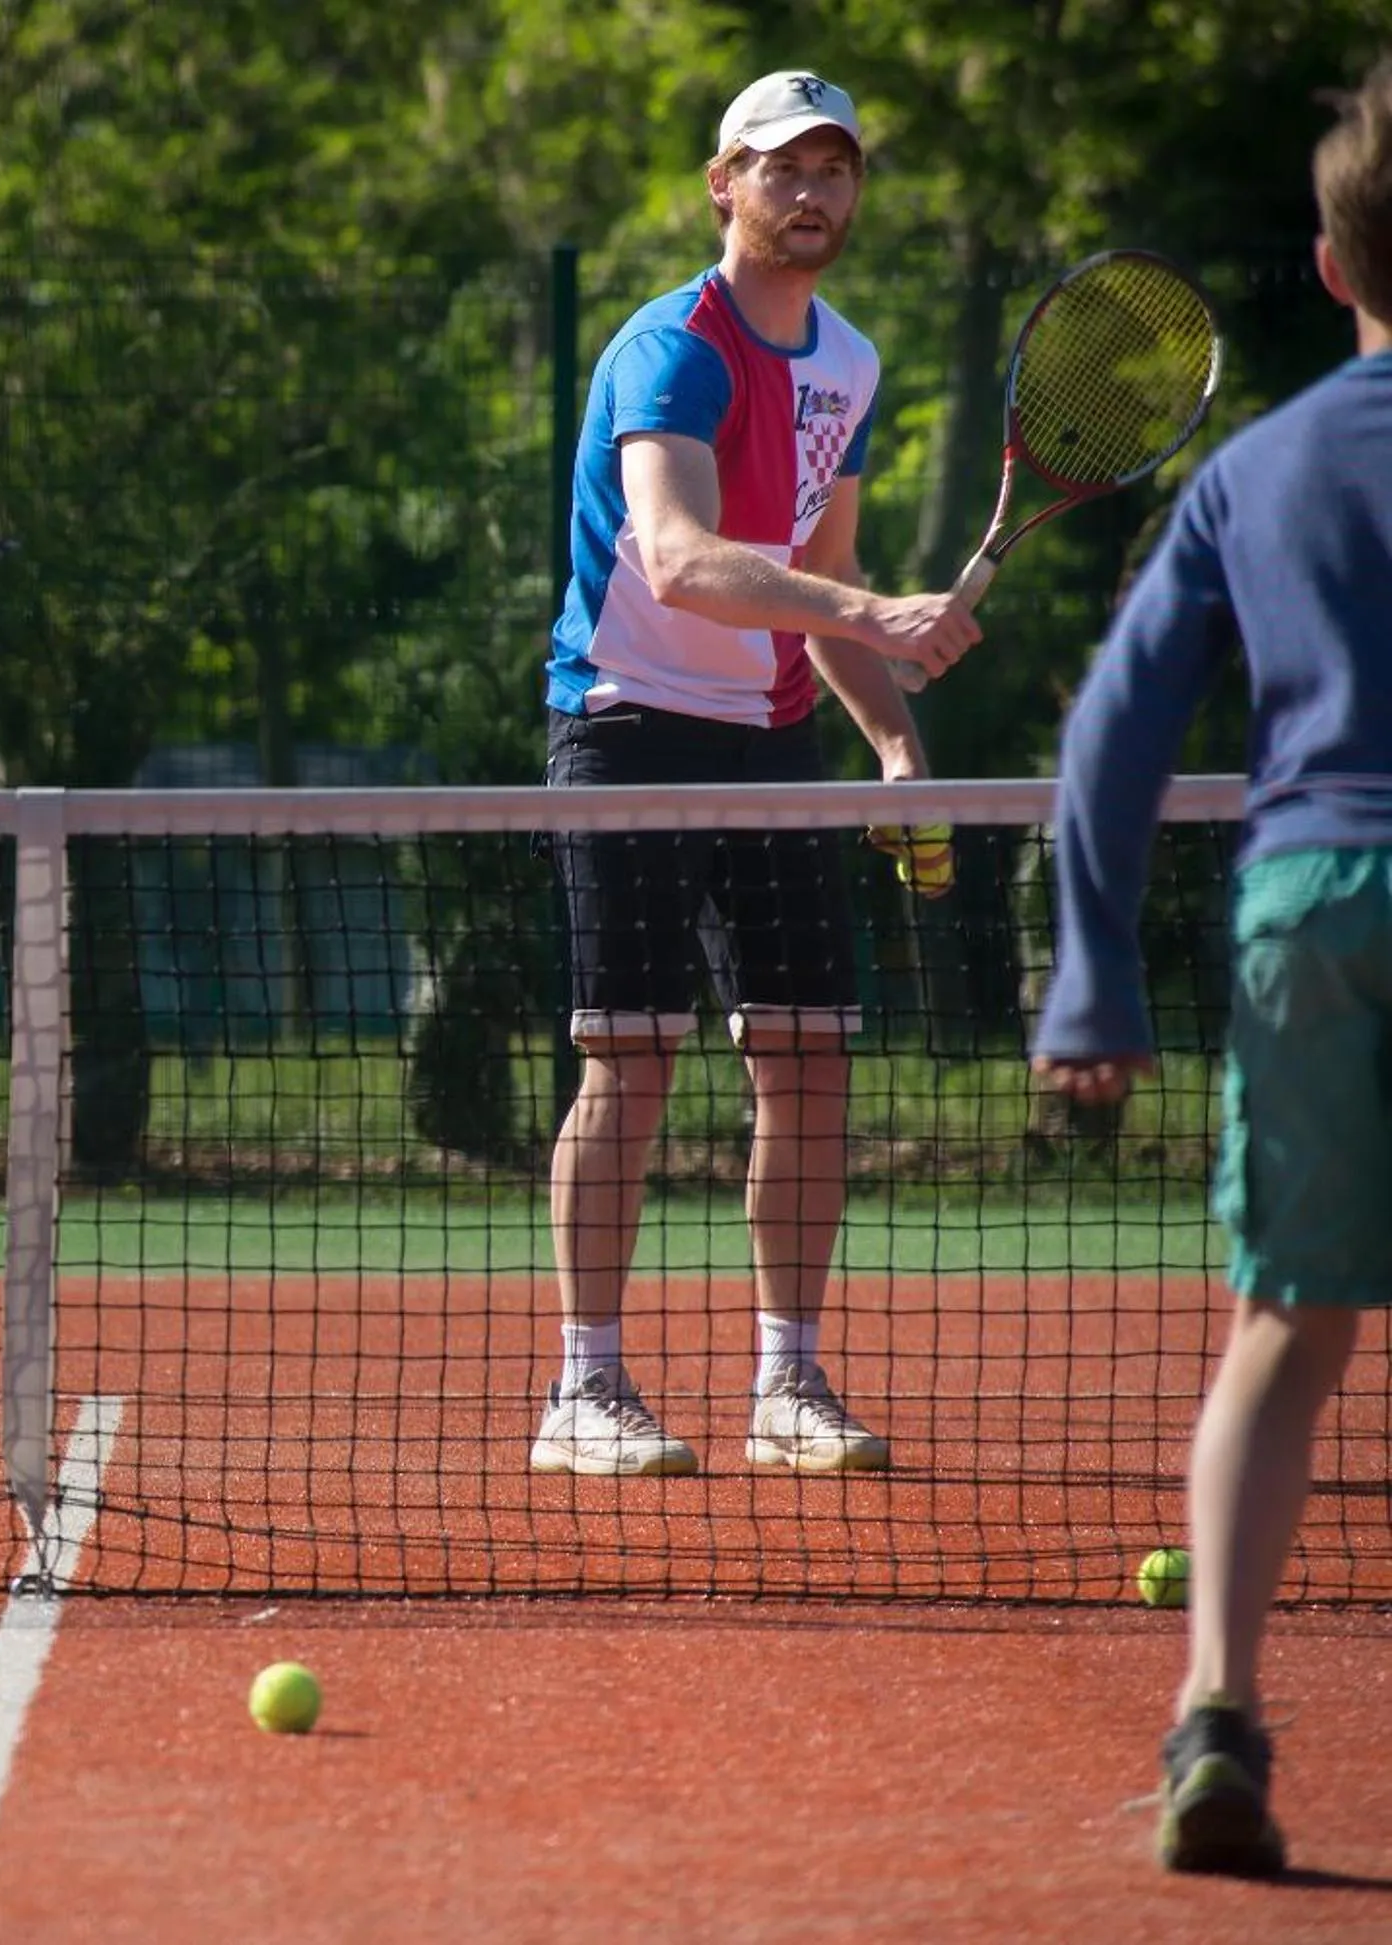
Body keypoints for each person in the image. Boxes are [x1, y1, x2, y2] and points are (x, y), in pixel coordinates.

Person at [1031, 56, 1392, 1879]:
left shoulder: (1255, 469)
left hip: (1313, 897)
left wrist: (1091, 980)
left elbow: (1110, 737)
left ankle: (1221, 1722)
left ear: (1333, 268)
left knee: (1285, 1331)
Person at [533, 69, 982, 1478]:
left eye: (836, 170)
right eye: (783, 168)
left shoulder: (848, 360)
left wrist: (898, 747)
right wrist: (869, 618)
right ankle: (583, 1390)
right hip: (627, 729)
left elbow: (827, 579)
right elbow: (678, 559)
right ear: (723, 184)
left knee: (810, 1064)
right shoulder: (671, 349)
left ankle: (789, 1385)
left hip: (775, 745)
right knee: (633, 1058)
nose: (813, 194)